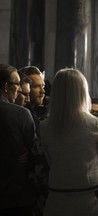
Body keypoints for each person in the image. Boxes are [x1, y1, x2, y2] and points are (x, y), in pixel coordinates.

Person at [40, 68, 98, 216]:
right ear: (83, 92)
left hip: (56, 193)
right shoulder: (96, 124)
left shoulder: (44, 126)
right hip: (86, 195)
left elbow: (50, 160)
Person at [0, 64, 37, 215]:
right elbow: (35, 152)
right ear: (6, 87)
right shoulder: (21, 114)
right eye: (17, 84)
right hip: (14, 197)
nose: (19, 89)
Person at [19, 66, 48, 216]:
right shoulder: (23, 114)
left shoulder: (40, 112)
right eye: (36, 86)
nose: (42, 91)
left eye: (43, 86)